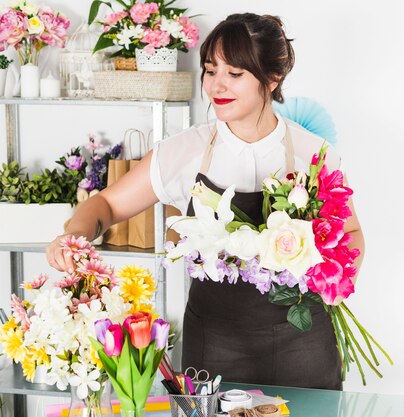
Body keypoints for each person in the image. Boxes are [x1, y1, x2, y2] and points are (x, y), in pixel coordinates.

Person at [46, 12, 364, 390]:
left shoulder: (314, 154)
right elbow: (106, 207)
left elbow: (351, 233)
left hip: (303, 345)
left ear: (272, 78)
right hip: (215, 346)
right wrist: (74, 235)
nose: (217, 85)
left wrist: (335, 284)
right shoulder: (184, 151)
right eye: (211, 71)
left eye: (235, 74)